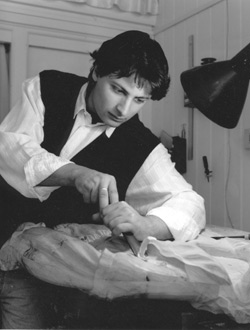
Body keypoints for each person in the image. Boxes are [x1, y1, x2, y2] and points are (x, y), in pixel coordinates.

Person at [0, 30, 206, 328]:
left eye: (140, 100)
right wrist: (74, 173)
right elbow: (9, 148)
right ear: (97, 71)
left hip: (38, 274)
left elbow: (190, 203)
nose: (124, 110)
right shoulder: (46, 87)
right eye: (118, 90)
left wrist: (145, 223)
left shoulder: (141, 145)